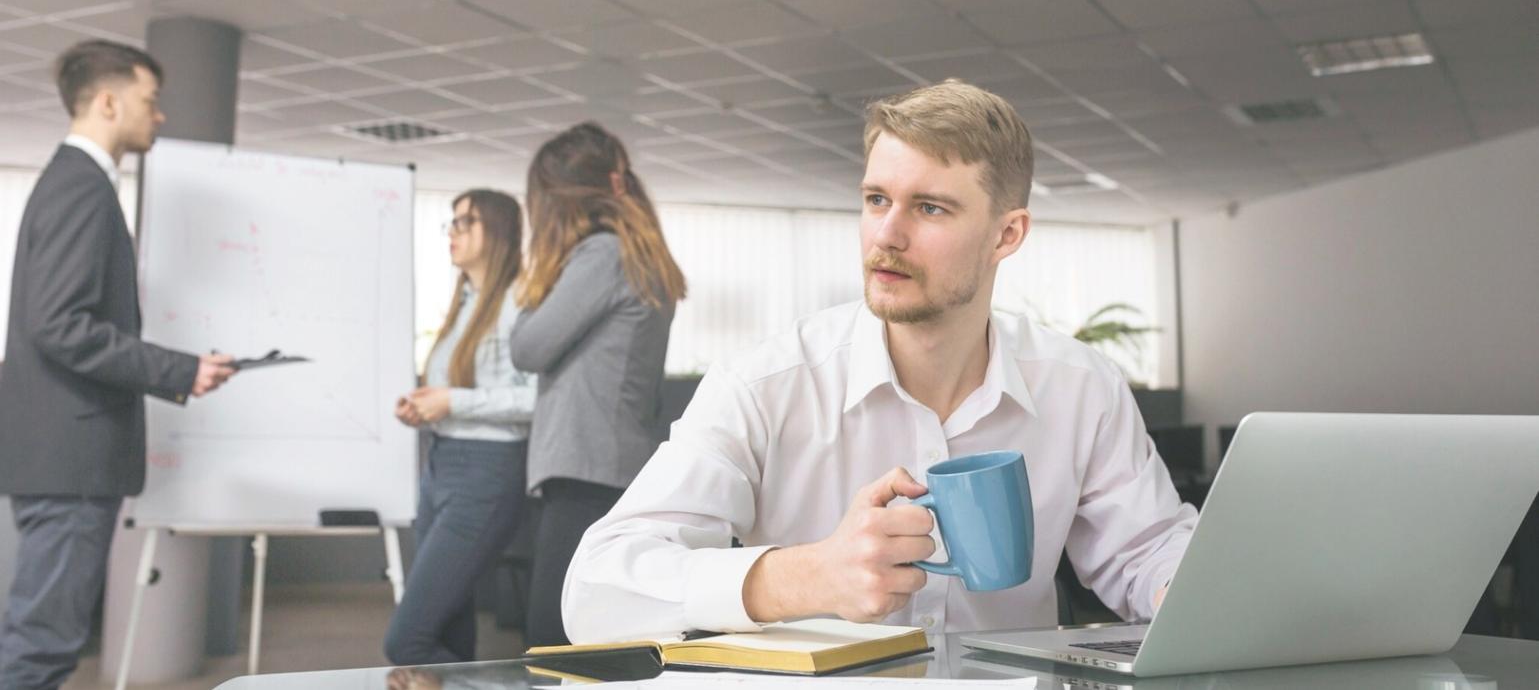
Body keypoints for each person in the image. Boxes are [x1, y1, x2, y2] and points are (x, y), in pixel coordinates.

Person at [562, 80, 1197, 643]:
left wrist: (1185, 593)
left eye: (929, 207)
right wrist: (805, 576)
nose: (887, 235)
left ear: (1007, 235)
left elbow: (1147, 551)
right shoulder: (766, 384)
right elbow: (594, 590)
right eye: (875, 200)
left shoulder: (1082, 387)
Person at [0, 40, 235, 690]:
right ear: (108, 102)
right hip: (71, 462)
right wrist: (179, 370)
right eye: (150, 101)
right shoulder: (81, 187)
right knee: (41, 647)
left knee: (41, 638)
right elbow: (59, 325)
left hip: (59, 457)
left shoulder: (68, 182)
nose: (159, 115)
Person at [509, 122, 686, 646]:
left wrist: (538, 279)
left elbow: (527, 347)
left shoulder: (603, 255)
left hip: (586, 472)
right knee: (587, 641)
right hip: (608, 470)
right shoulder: (633, 254)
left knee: (551, 640)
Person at [385, 189, 536, 665]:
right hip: (441, 463)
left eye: (466, 221)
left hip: (487, 470)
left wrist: (452, 401)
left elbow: (537, 399)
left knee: (407, 642)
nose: (452, 231)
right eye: (451, 221)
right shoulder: (465, 301)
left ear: (498, 231)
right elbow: (458, 389)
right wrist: (425, 405)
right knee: (449, 633)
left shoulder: (521, 301)